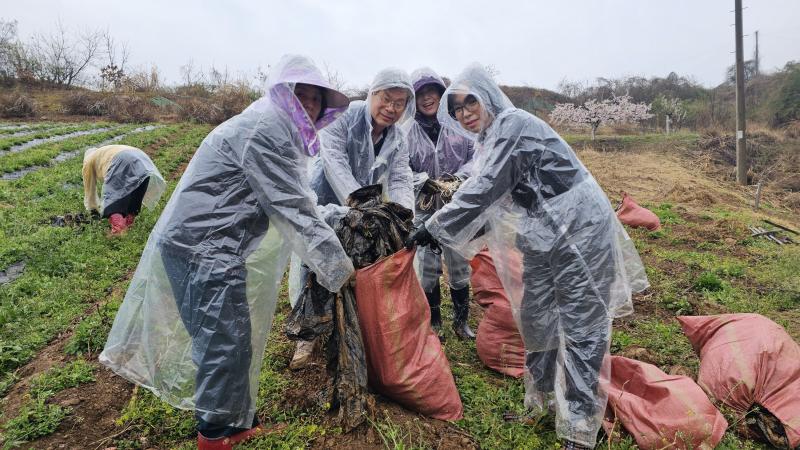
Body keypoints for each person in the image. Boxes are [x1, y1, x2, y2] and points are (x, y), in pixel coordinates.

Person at [100, 55, 354, 450]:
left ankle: (236, 423)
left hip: (216, 249)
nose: (307, 104)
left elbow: (301, 199)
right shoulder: (267, 129)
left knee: (234, 338)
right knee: (222, 342)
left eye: (315, 99)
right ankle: (214, 436)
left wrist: (341, 217)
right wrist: (340, 269)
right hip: (201, 248)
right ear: (281, 94)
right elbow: (295, 209)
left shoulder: (278, 131)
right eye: (299, 94)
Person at [405, 64, 649, 450]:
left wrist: (434, 227)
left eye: (471, 101)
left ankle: (582, 429)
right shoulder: (489, 140)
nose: (466, 113)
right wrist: (446, 229)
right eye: (458, 109)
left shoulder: (513, 125)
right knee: (537, 319)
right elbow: (494, 201)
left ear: (489, 95)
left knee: (581, 328)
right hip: (542, 233)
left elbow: (485, 189)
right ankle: (543, 403)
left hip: (579, 231)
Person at [288, 67, 415, 369]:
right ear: (373, 94)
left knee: (351, 267)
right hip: (326, 200)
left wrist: (403, 215)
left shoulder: (397, 136)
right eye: (387, 98)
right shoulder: (345, 116)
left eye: (399, 103)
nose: (392, 108)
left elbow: (399, 177)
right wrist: (361, 204)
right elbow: (334, 162)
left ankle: (341, 330)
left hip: (360, 207)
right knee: (315, 261)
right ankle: (307, 338)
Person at [405, 67, 475, 340]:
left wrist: (458, 178)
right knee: (428, 265)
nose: (426, 98)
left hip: (455, 207)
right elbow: (401, 168)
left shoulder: (457, 124)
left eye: (431, 91)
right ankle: (433, 320)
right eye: (420, 93)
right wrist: (424, 181)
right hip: (423, 208)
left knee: (459, 263)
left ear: (440, 94)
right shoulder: (408, 130)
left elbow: (475, 157)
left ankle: (461, 321)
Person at [82, 144, 166, 235]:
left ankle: (118, 230)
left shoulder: (88, 161)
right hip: (142, 158)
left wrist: (93, 209)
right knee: (135, 193)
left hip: (121, 159)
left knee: (114, 197)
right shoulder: (104, 152)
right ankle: (128, 223)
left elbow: (89, 189)